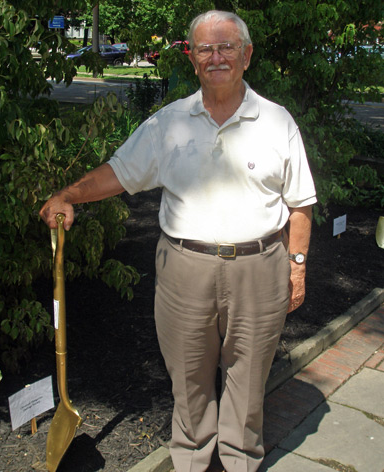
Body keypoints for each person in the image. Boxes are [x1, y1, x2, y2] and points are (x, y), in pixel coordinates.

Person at [40, 10, 317, 472]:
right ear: (192, 60)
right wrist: (69, 195)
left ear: (246, 55)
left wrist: (298, 264)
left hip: (260, 266)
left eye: (226, 47)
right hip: (184, 270)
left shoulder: (277, 121)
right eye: (205, 49)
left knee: (248, 384)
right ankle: (191, 461)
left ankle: (240, 461)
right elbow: (120, 172)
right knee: (188, 381)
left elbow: (301, 205)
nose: (216, 57)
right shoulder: (169, 124)